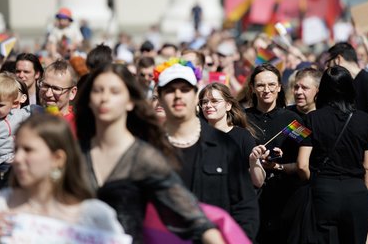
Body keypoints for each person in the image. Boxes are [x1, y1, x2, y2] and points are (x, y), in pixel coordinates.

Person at [75, 63, 224, 243]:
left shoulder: (144, 157)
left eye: (114, 91)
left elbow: (194, 218)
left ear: (130, 101)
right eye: (98, 90)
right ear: (89, 99)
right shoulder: (74, 153)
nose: (104, 98)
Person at [0, 114, 126, 242]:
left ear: (57, 158)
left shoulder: (95, 216)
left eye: (28, 150)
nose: (18, 158)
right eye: (17, 149)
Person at [156, 61, 259, 240]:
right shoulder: (149, 148)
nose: (178, 95)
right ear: (160, 97)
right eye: (170, 90)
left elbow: (245, 206)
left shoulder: (225, 146)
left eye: (185, 89)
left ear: (195, 96)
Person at [296, 66, 368, 244]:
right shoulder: (364, 120)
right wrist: (364, 192)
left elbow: (302, 164)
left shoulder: (310, 119)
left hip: (323, 192)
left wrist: (316, 182)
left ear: (322, 89)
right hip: (356, 193)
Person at [326, 42, 368, 244]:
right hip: (355, 160)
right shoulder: (346, 84)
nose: (328, 69)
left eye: (329, 63)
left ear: (338, 59)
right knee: (359, 218)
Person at [244, 63, 303, 244]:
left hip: (285, 197)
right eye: (261, 85)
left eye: (271, 85)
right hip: (251, 196)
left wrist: (282, 156)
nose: (266, 90)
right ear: (252, 88)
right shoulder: (243, 119)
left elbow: (305, 154)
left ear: (279, 87)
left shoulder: (292, 120)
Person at [198, 82, 266, 188]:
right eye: (204, 102)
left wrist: (253, 161)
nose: (208, 105)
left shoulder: (243, 136)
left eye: (214, 101)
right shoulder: (196, 135)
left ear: (228, 105)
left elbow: (258, 182)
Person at [39, 60, 78, 135]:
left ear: (72, 93)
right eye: (45, 86)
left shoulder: (77, 126)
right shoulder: (30, 114)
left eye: (56, 89)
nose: (48, 94)